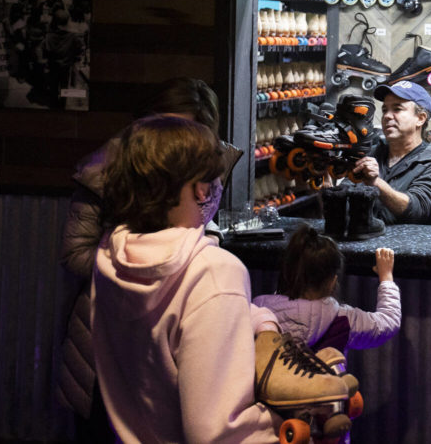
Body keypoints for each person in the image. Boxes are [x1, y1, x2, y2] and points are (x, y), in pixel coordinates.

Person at [57, 77, 241, 441]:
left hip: (168, 338)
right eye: (165, 130)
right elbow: (75, 253)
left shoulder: (206, 172)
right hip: (106, 328)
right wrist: (136, 263)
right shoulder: (104, 170)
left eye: (186, 134)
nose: (172, 145)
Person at [90, 115, 289, 443]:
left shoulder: (112, 253)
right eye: (216, 177)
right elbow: (216, 433)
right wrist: (289, 425)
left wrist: (258, 318)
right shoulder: (213, 271)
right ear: (201, 188)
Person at [254, 224, 401, 354]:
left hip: (272, 385)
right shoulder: (343, 320)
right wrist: (386, 277)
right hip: (328, 385)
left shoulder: (259, 311)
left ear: (287, 271)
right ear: (332, 281)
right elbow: (387, 322)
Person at [351, 79, 431, 225]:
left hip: (409, 247)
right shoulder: (372, 153)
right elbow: (344, 201)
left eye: (397, 109)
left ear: (420, 118)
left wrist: (375, 182)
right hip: (364, 245)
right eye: (385, 110)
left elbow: (418, 210)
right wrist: (325, 177)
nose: (387, 116)